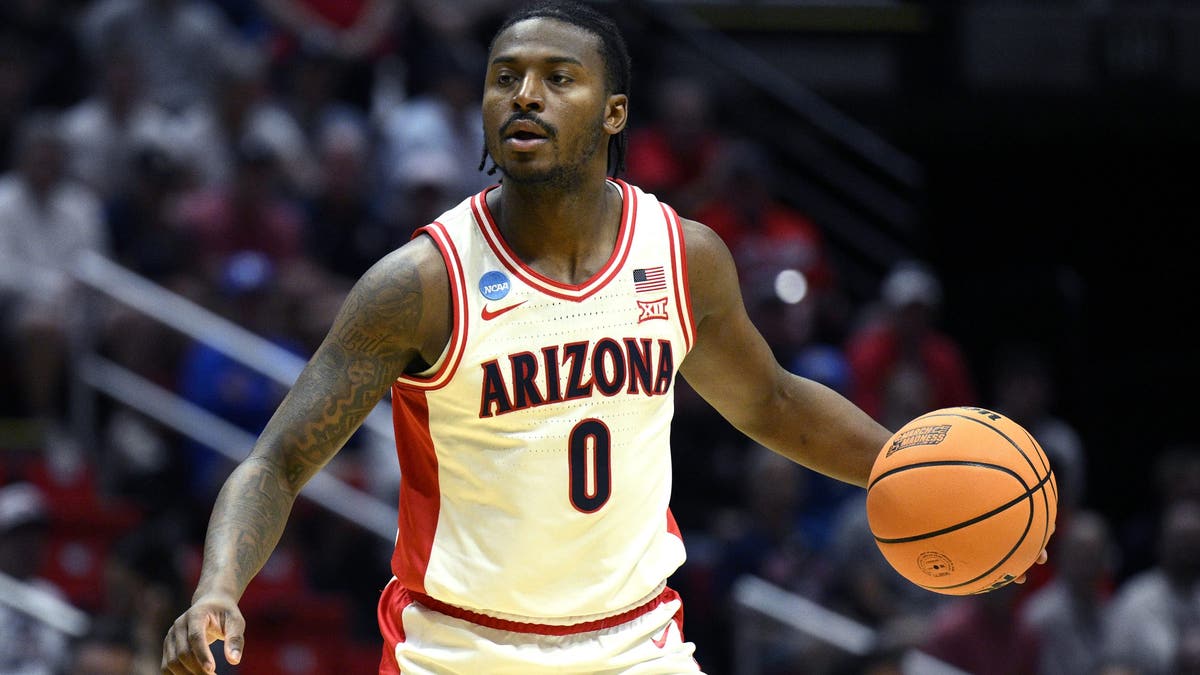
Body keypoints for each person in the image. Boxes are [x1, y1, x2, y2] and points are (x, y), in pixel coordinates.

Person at [160, 3, 1043, 672]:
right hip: (465, 649)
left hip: (636, 644)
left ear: (614, 113)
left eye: (556, 76)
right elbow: (276, 461)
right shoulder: (419, 285)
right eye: (505, 76)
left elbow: (771, 400)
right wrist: (217, 587)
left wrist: (914, 474)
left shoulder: (682, 255)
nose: (525, 95)